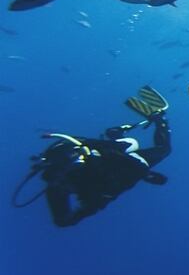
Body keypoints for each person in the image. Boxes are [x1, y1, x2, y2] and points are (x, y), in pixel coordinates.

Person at [12, 85, 172, 227]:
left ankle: (154, 120)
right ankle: (152, 121)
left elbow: (63, 220)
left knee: (145, 147)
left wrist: (146, 174)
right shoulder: (67, 187)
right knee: (146, 147)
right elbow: (63, 220)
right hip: (114, 158)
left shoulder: (62, 186)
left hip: (113, 157)